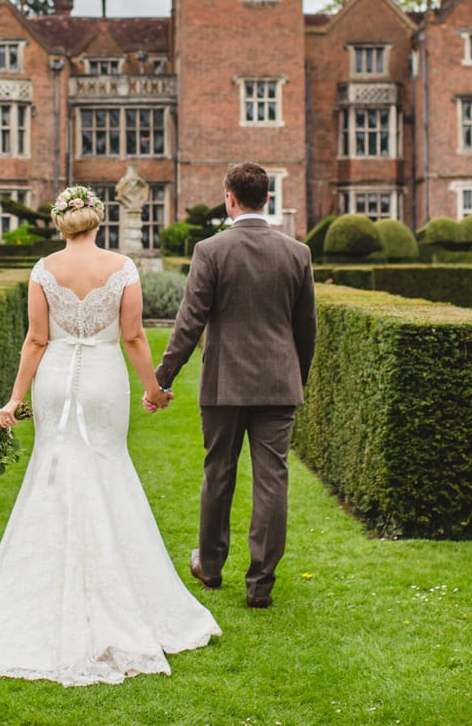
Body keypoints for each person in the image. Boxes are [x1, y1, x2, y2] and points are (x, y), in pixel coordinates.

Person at [0, 185, 220, 686]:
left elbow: (36, 339)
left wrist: (13, 400)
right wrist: (155, 390)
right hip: (102, 380)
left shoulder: (43, 270)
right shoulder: (122, 268)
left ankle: (42, 594)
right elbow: (134, 337)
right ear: (98, 223)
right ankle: (119, 593)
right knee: (107, 467)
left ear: (60, 223)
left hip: (54, 379)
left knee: (53, 467)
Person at [154, 162, 317, 609]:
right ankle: (261, 585)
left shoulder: (211, 250)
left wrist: (161, 379)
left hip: (224, 385)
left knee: (218, 474)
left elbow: (189, 323)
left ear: (230, 198)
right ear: (267, 199)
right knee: (272, 483)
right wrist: (293, 381)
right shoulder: (297, 253)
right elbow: (307, 331)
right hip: (278, 387)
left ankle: (209, 566)